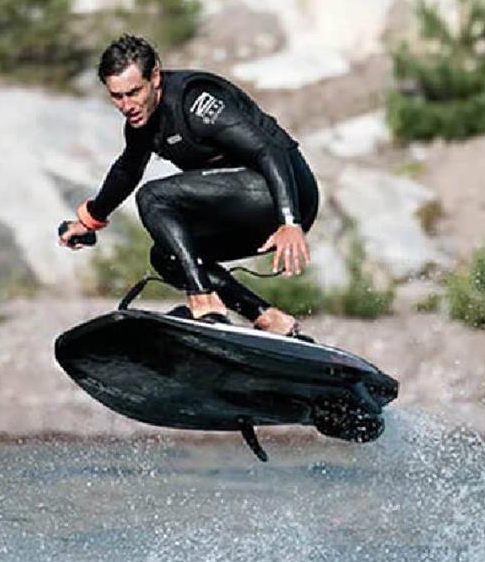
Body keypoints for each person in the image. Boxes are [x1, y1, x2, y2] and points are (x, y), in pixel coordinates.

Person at [59, 34, 319, 339]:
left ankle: (204, 304)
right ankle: (268, 318)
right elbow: (128, 170)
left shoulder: (196, 101)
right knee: (167, 256)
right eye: (117, 96)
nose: (127, 105)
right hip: (246, 206)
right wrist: (89, 220)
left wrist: (289, 221)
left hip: (284, 193)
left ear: (155, 77)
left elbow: (268, 151)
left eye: (133, 92)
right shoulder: (141, 119)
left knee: (153, 196)